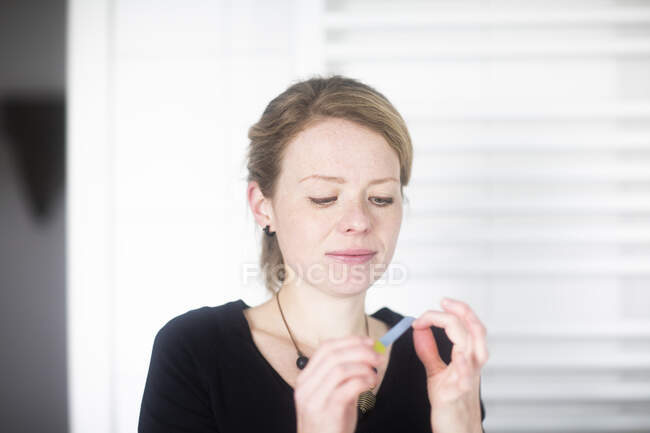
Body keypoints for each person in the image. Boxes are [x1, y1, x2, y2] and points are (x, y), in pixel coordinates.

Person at [138, 75, 488, 433]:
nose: (358, 222)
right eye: (324, 198)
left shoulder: (438, 355)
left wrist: (464, 427)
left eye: (381, 198)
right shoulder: (195, 352)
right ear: (263, 207)